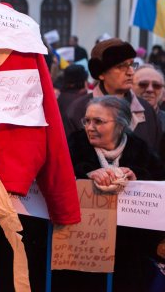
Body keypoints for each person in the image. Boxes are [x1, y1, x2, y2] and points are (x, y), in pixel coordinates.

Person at [63, 96, 165, 292]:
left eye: (98, 121)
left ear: (121, 124)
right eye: (87, 120)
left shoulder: (140, 148)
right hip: (83, 246)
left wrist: (138, 176)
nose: (90, 127)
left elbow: (158, 180)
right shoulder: (75, 144)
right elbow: (58, 173)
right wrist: (86, 173)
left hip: (128, 251)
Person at [65, 38, 162, 150]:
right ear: (101, 73)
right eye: (121, 66)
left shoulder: (146, 110)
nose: (130, 72)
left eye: (131, 64)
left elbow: (157, 159)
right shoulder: (78, 110)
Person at [132, 64, 165, 131]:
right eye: (143, 84)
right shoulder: (119, 118)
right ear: (130, 88)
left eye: (156, 85)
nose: (150, 89)